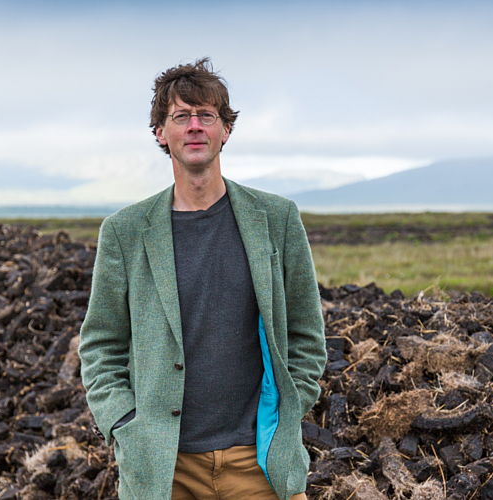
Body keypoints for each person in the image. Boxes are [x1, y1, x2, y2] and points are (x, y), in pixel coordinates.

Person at [78, 58, 326, 500]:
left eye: (206, 115)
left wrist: (290, 408)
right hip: (164, 467)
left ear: (225, 130)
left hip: (261, 463)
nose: (194, 126)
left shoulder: (277, 219)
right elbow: (101, 343)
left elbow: (306, 332)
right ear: (161, 132)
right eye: (180, 116)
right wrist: (122, 424)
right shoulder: (124, 232)